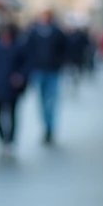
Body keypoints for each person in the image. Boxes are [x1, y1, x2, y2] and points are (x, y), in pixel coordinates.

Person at [24, 10, 69, 144]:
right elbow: (28, 51)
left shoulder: (57, 33)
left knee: (51, 101)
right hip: (38, 71)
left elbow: (65, 49)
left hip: (52, 71)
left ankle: (50, 128)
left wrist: (59, 62)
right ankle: (45, 126)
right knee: (42, 100)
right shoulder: (34, 33)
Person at [0, 23, 28, 157]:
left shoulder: (18, 48)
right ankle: (2, 139)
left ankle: (10, 141)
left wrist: (20, 76)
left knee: (12, 114)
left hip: (12, 87)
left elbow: (25, 65)